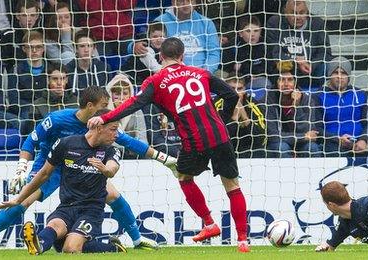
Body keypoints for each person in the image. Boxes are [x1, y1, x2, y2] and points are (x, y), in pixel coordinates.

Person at [88, 37, 250, 252]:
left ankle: (209, 223)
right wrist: (222, 117)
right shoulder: (200, 73)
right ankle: (242, 240)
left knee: (184, 177)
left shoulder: (155, 81)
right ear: (182, 56)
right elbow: (230, 94)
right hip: (220, 135)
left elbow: (133, 104)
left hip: (194, 139)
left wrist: (105, 118)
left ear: (161, 56)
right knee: (232, 186)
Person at [0, 86, 177, 252]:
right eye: (104, 105)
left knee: (113, 194)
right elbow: (30, 142)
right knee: (23, 199)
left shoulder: (103, 125)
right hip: (50, 166)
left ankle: (137, 239)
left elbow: (131, 143)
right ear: (89, 106)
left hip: (80, 167)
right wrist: (21, 169)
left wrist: (165, 159)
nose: (109, 110)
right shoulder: (57, 119)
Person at [0, 109, 127, 255]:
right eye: (113, 129)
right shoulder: (66, 144)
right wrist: (18, 200)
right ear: (99, 127)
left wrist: (104, 169)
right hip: (67, 206)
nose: (116, 135)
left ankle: (114, 248)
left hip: (91, 210)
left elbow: (112, 169)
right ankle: (37, 246)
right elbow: (44, 174)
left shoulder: (111, 151)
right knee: (55, 225)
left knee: (70, 248)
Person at [317, 57, 368, 158]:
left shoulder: (360, 94)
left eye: (343, 73)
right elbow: (317, 128)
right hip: (333, 142)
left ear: (348, 76)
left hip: (359, 140)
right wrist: (338, 139)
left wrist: (363, 139)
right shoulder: (318, 95)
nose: (339, 76)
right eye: (336, 72)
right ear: (329, 75)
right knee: (334, 154)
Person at [131, 0, 220, 74]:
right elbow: (146, 45)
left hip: (202, 74)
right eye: (181, 1)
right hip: (171, 76)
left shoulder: (207, 23)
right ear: (173, 2)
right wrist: (133, 46)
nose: (186, 4)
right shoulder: (160, 21)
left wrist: (203, 74)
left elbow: (214, 54)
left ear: (196, 2)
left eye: (190, 0)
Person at [265, 0, 332, 89]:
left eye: (301, 13)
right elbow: (273, 52)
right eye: (293, 13)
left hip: (310, 70)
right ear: (285, 13)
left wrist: (311, 64)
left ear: (307, 12)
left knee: (328, 66)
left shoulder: (317, 23)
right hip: (285, 69)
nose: (298, 17)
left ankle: (322, 93)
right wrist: (294, 61)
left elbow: (325, 52)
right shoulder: (275, 22)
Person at [264, 68, 323, 158]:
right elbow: (273, 135)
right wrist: (302, 137)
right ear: (276, 82)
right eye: (282, 80)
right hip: (279, 143)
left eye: (290, 80)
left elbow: (310, 132)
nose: (286, 84)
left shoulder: (306, 99)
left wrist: (297, 107)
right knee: (282, 147)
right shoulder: (267, 100)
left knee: (312, 147)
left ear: (295, 82)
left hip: (301, 143)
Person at [214, 77, 267, 158]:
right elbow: (216, 138)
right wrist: (234, 118)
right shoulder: (216, 105)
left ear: (245, 89)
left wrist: (245, 118)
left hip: (247, 149)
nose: (235, 93)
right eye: (231, 88)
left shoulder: (253, 104)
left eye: (239, 89)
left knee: (260, 152)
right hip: (224, 149)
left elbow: (262, 139)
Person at [221, 15, 272, 91]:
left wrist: (243, 68)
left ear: (260, 31)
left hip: (256, 80)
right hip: (234, 81)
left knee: (265, 83)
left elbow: (269, 68)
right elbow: (225, 67)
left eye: (256, 31)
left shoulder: (266, 45)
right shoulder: (232, 46)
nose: (253, 34)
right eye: (248, 31)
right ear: (240, 33)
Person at [106, 73, 149, 158]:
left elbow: (142, 139)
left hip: (132, 152)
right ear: (110, 95)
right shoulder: (104, 113)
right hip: (109, 152)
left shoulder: (137, 112)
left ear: (130, 94)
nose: (121, 98)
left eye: (125, 93)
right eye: (117, 94)